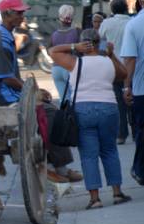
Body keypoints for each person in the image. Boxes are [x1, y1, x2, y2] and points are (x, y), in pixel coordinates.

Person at [0, 0, 82, 183]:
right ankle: (52, 167)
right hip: (2, 95)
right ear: (7, 14)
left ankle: (61, 166)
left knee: (53, 109)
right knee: (50, 114)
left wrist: (33, 90)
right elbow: (7, 78)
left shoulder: (5, 35)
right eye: (19, 13)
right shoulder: (0, 41)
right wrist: (33, 91)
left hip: (10, 91)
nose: (22, 16)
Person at [50, 29, 131, 209]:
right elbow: (123, 74)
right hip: (108, 109)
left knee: (88, 155)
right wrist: (111, 54)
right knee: (109, 150)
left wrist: (73, 46)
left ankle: (95, 199)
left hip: (83, 110)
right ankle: (117, 193)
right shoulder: (107, 62)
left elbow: (53, 51)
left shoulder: (74, 62)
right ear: (99, 43)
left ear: (83, 44)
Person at [99, 0, 132, 145]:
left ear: (112, 10)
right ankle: (136, 128)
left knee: (119, 101)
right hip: (132, 65)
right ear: (126, 8)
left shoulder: (106, 23)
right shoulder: (132, 22)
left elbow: (100, 39)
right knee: (134, 97)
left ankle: (121, 134)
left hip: (113, 67)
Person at [120, 0, 144, 185]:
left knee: (142, 131)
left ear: (141, 3)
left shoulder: (134, 25)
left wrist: (126, 87)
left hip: (142, 89)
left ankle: (140, 170)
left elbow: (130, 59)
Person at [49, 4, 80, 101]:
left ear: (59, 16)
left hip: (56, 69)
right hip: (70, 68)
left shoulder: (54, 34)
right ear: (72, 16)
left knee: (63, 100)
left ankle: (63, 116)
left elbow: (49, 50)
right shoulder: (77, 32)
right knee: (74, 99)